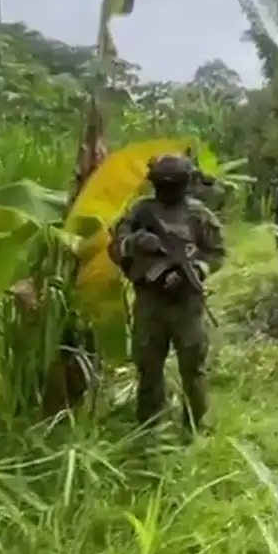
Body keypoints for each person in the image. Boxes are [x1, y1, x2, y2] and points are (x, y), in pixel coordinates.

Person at [109, 153, 226, 436]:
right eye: (164, 184)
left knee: (193, 369)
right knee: (148, 368)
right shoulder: (140, 211)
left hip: (187, 303)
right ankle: (149, 429)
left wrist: (197, 269)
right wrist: (137, 242)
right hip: (150, 301)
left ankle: (195, 428)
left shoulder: (199, 215)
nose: (169, 190)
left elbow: (217, 253)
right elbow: (115, 247)